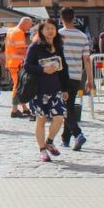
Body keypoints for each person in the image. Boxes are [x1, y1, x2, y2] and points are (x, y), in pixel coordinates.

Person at [25, 19, 70, 162]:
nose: (50, 31)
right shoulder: (35, 47)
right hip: (39, 89)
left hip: (56, 88)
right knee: (41, 119)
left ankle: (49, 142)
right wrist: (43, 69)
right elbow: (27, 66)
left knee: (59, 117)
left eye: (53, 28)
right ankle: (42, 149)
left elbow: (64, 69)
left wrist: (65, 88)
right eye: (47, 28)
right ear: (42, 31)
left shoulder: (58, 46)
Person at [59, 7, 94, 151]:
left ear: (61, 19)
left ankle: (77, 134)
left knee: (65, 108)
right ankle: (65, 139)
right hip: (76, 76)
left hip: (61, 76)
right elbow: (87, 59)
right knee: (69, 106)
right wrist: (90, 79)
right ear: (74, 18)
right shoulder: (82, 36)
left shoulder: (59, 35)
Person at [6, 17, 32, 118]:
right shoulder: (19, 32)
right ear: (24, 23)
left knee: (19, 86)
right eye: (29, 26)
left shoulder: (11, 31)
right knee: (17, 86)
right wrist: (31, 51)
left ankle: (25, 108)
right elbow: (20, 51)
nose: (29, 29)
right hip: (17, 63)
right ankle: (14, 110)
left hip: (12, 63)